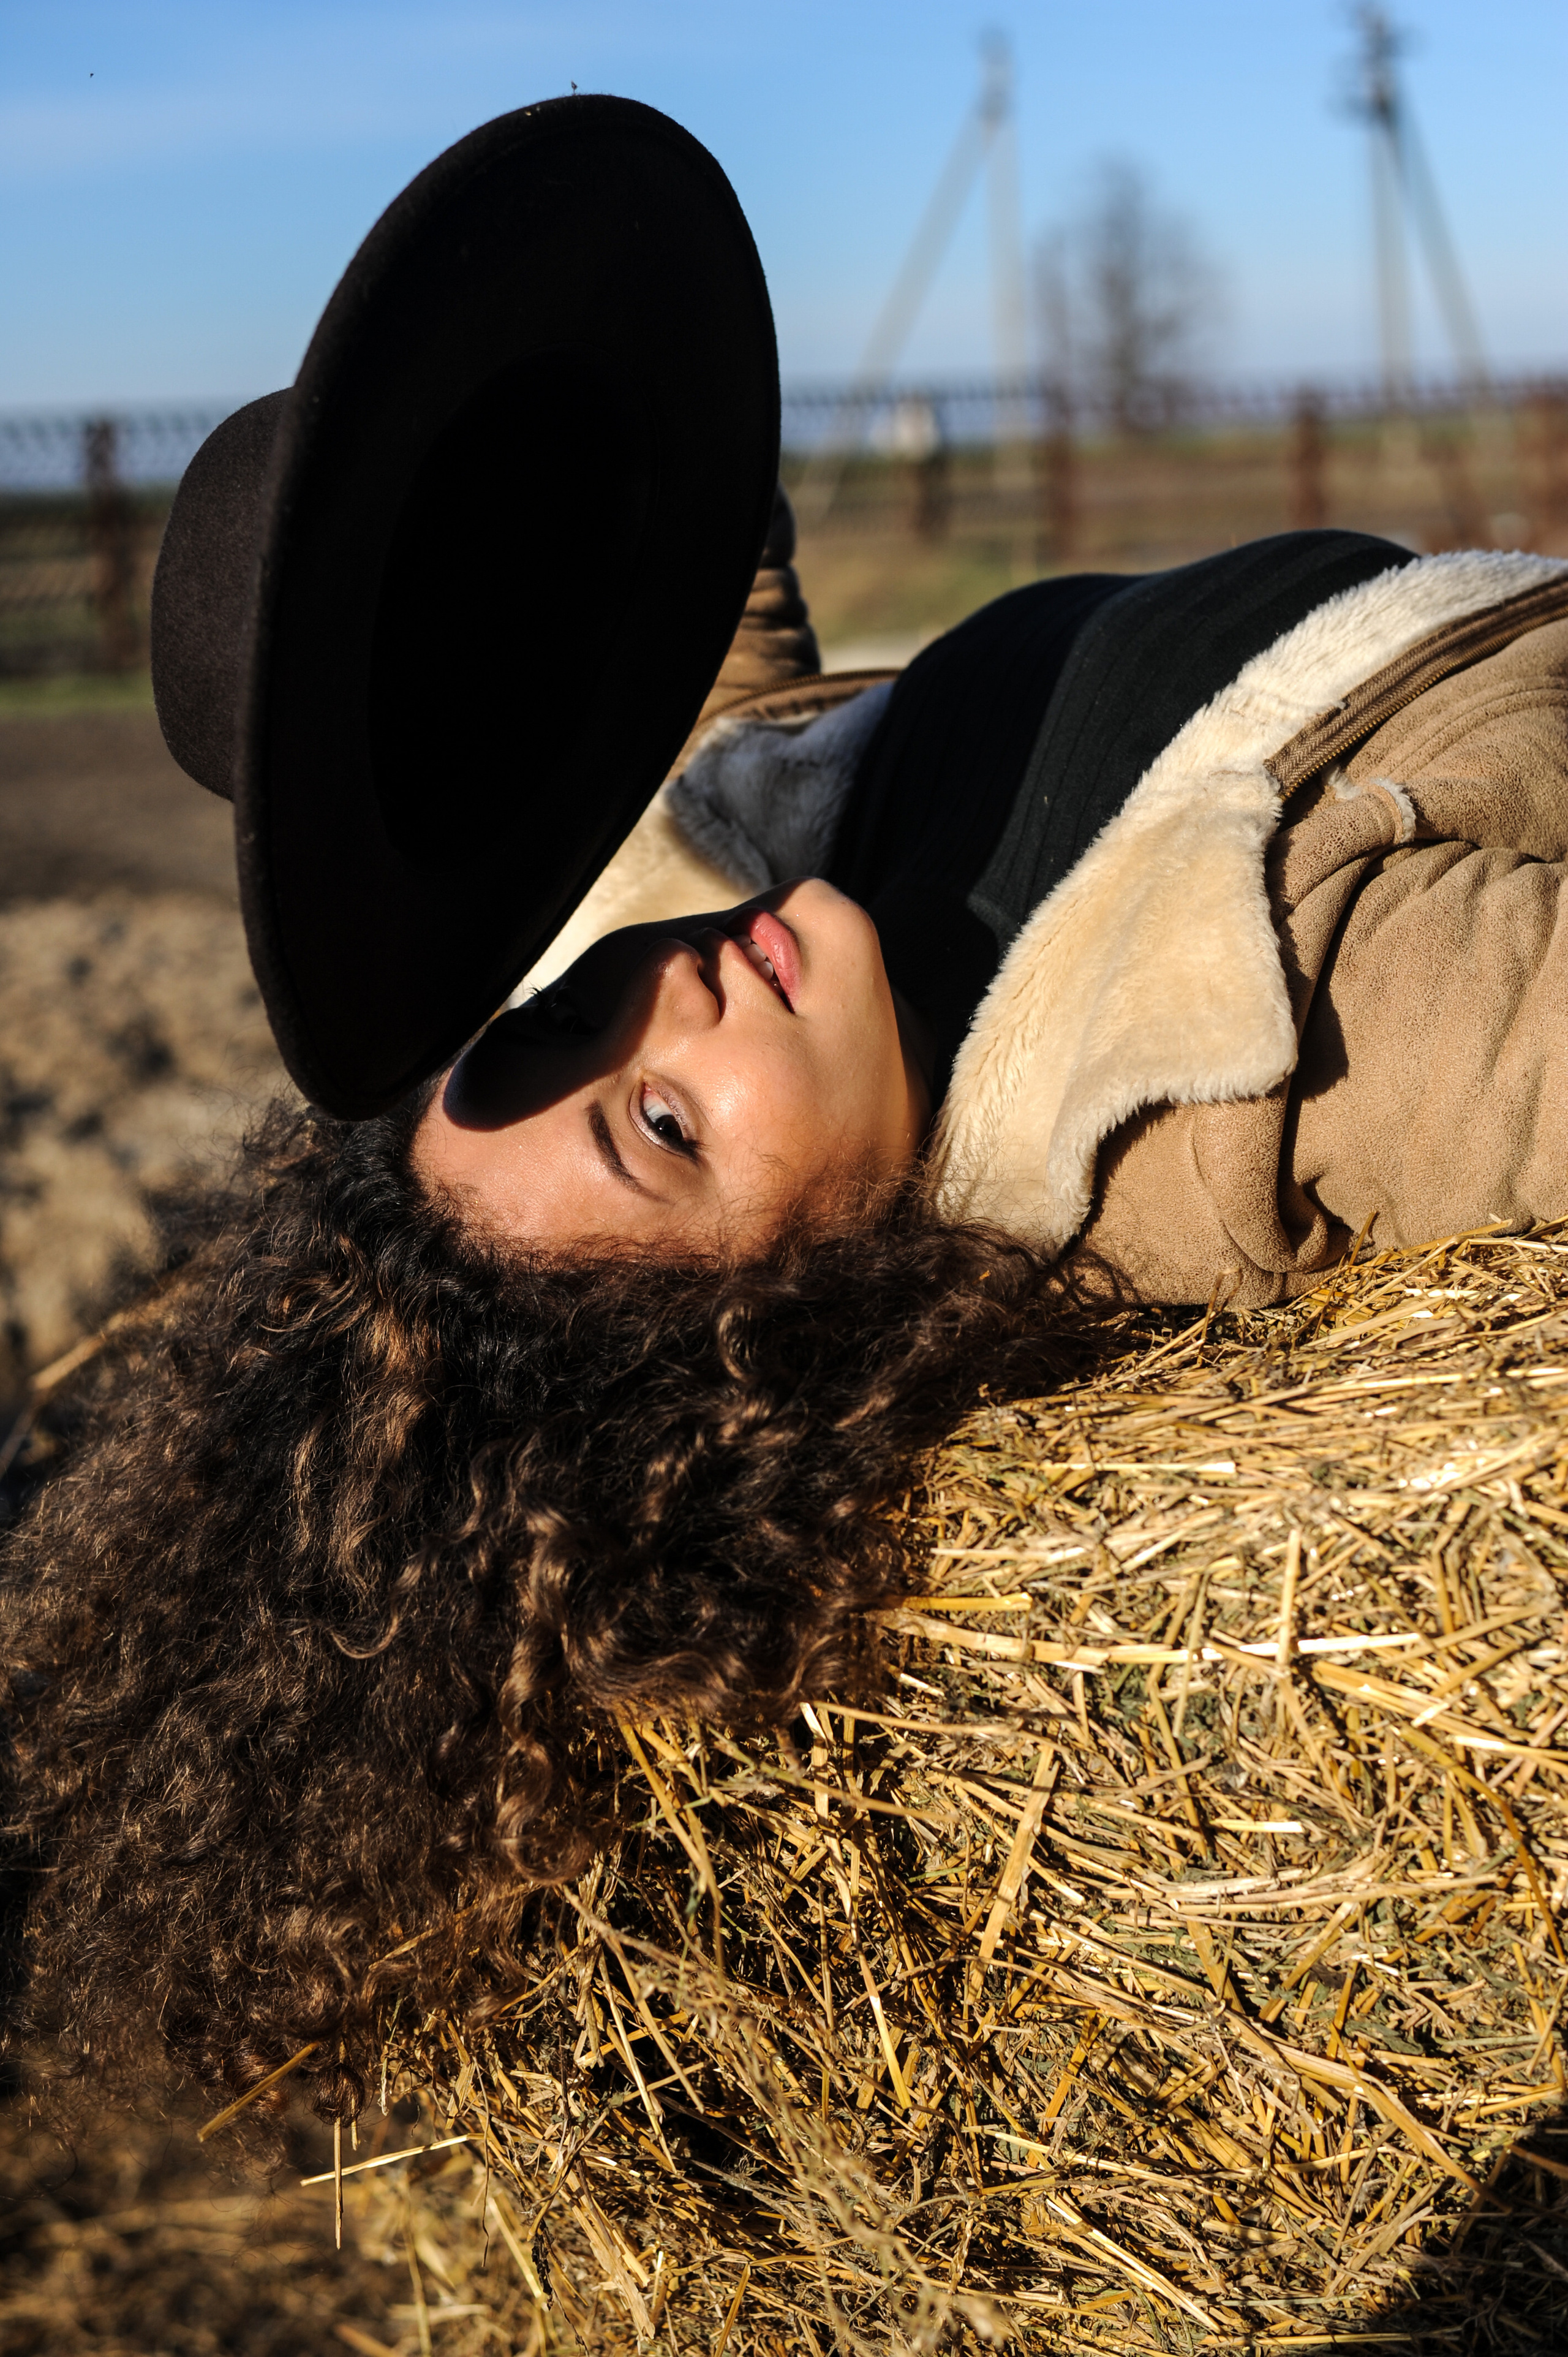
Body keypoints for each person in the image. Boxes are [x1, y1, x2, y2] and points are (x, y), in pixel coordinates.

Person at [5, 94, 1568, 2130]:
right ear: (789, 1329)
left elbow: (724, 657)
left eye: (549, 1028)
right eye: (660, 1127)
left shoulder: (788, 919)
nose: (657, 983)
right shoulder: (1256, 1062)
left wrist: (410, 528)